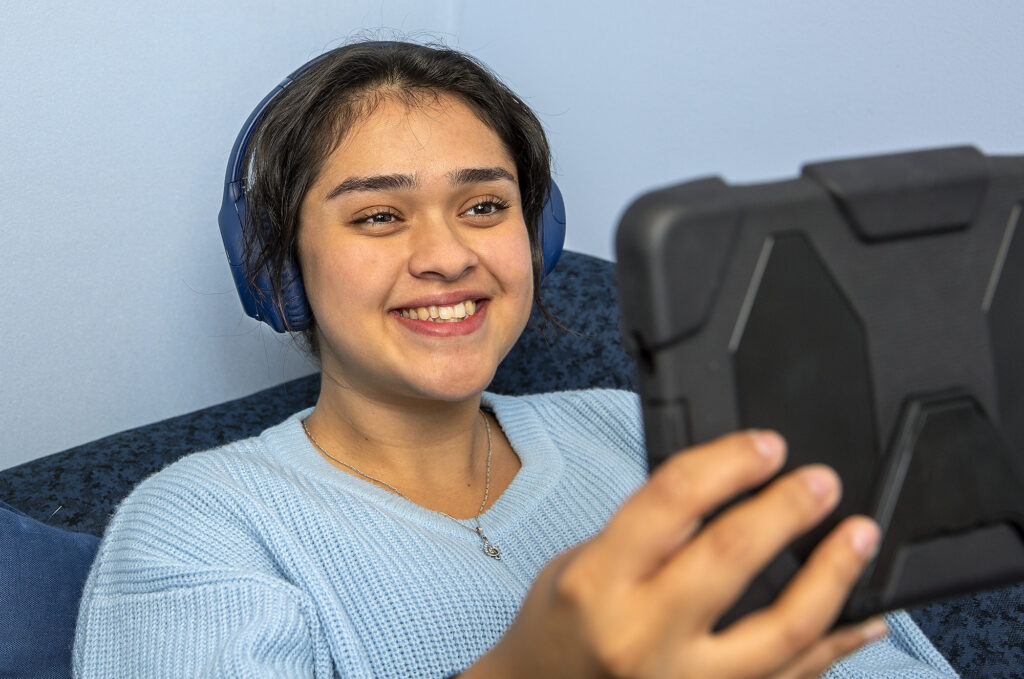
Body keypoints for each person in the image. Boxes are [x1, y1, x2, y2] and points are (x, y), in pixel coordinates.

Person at [72, 41, 958, 678]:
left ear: (538, 240)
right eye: (379, 215)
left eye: (485, 206)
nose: (449, 255)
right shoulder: (199, 528)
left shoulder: (630, 424)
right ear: (278, 267)